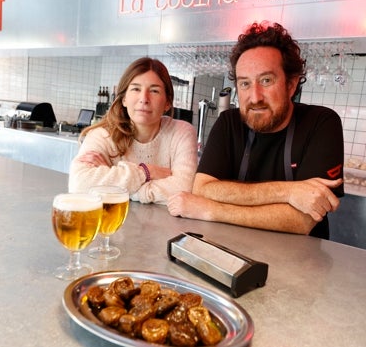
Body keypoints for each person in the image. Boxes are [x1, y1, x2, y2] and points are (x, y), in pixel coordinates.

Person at [167, 21, 344, 238]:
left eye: (266, 80)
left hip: (301, 264)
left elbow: (301, 220)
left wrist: (209, 210)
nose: (255, 97)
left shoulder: (321, 123)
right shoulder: (228, 123)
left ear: (291, 84)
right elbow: (203, 188)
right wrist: (288, 192)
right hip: (231, 252)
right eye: (245, 84)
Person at [68, 57, 198, 204]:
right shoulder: (103, 135)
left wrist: (126, 190)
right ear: (124, 99)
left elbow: (184, 188)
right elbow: (79, 185)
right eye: (136, 89)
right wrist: (145, 172)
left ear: (167, 102)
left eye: (154, 91)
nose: (144, 98)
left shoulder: (182, 132)